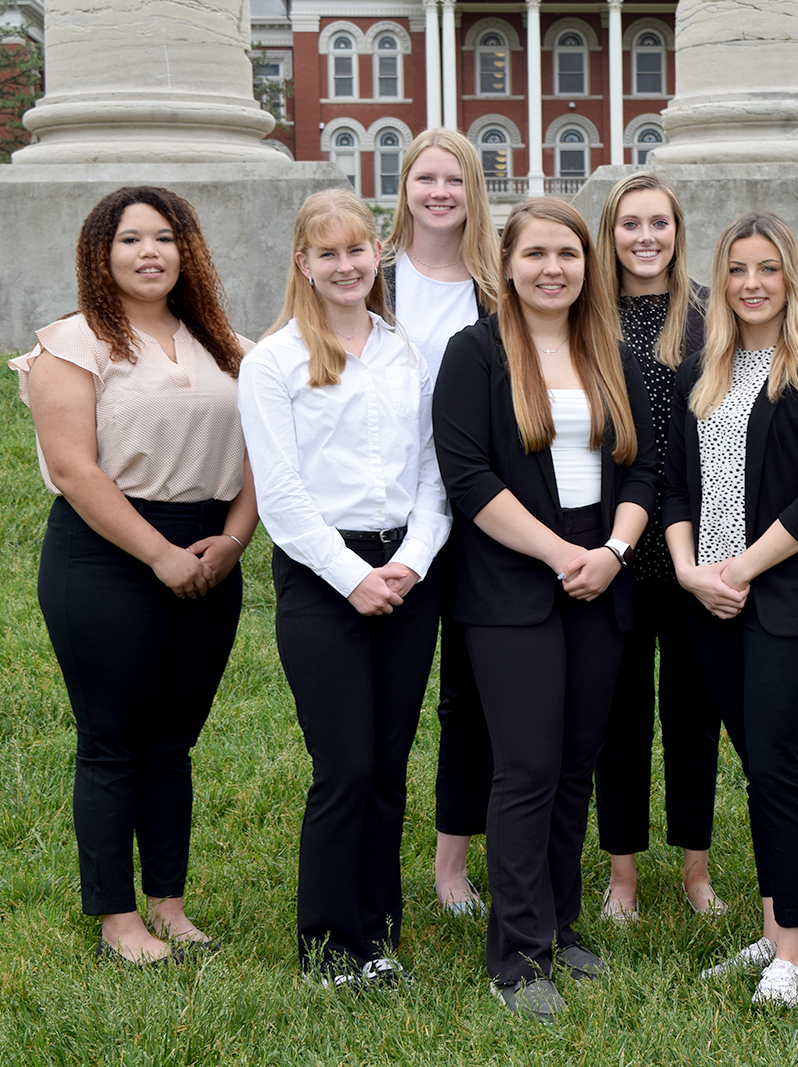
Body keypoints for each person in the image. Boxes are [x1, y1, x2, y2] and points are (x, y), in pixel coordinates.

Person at [11, 186, 257, 963]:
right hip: (106, 554)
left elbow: (269, 453)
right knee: (113, 740)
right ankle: (118, 921)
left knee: (172, 742)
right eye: (129, 239)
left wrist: (234, 538)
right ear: (100, 253)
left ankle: (171, 908)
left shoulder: (227, 345)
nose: (149, 252)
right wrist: (158, 553)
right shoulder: (71, 343)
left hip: (211, 550)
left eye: (164, 237)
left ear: (188, 251)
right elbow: (75, 470)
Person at [433, 197, 657, 1023]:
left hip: (604, 577)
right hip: (512, 587)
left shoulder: (610, 352)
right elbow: (469, 478)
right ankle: (517, 955)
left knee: (574, 766)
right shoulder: (475, 352)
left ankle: (561, 925)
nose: (553, 268)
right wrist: (560, 553)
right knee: (525, 769)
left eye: (567, 253)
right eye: (535, 254)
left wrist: (612, 553)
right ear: (508, 262)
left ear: (585, 265)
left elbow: (643, 471)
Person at [239, 189, 451, 987]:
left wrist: (414, 561)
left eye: (358, 249)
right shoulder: (273, 361)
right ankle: (329, 946)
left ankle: (377, 929)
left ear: (376, 255)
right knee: (344, 763)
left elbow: (435, 474)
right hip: (323, 576)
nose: (345, 265)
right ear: (303, 263)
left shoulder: (406, 354)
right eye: (327, 253)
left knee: (391, 762)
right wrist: (355, 577)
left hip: (407, 572)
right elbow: (282, 495)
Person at [665, 212, 798, 1008]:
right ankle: (776, 931)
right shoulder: (697, 372)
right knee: (757, 766)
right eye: (737, 269)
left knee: (775, 766)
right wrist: (688, 571)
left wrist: (736, 569)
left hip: (784, 601)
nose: (751, 284)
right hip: (708, 601)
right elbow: (674, 484)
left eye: (767, 269)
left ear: (791, 278)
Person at [589, 173, 727, 921]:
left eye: (660, 224)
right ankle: (622, 874)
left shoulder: (710, 315)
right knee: (620, 715)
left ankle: (696, 869)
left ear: (679, 231)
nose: (646, 238)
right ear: (610, 233)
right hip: (612, 543)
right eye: (630, 224)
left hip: (697, 546)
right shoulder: (587, 318)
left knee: (692, 712)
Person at [379, 127, 502, 915]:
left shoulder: (496, 286)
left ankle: (450, 863)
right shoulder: (373, 277)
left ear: (473, 192)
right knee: (387, 698)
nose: (439, 192)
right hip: (389, 511)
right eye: (425, 177)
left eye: (454, 180)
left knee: (470, 694)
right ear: (405, 186)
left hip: (480, 512)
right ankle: (367, 859)